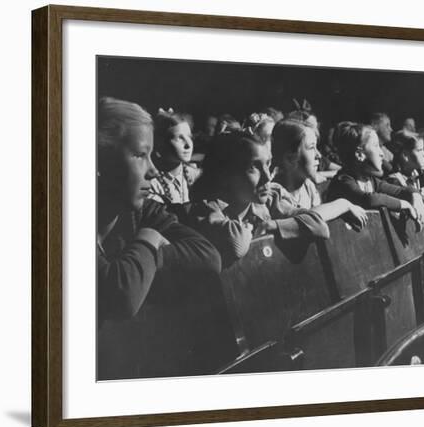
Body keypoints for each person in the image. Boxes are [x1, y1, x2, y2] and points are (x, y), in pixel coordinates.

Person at [97, 97, 222, 323]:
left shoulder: (142, 211)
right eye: (140, 155)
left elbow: (209, 256)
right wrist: (149, 238)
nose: (153, 171)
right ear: (99, 162)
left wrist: (147, 256)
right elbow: (122, 296)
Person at [190, 130, 330, 267]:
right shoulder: (207, 209)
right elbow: (237, 246)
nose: (267, 177)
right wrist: (251, 228)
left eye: (268, 164)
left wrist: (272, 225)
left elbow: (319, 226)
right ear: (228, 175)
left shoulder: (269, 199)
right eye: (253, 167)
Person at [326, 121, 424, 228]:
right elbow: (369, 200)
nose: (382, 153)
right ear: (360, 155)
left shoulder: (370, 180)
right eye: (376, 146)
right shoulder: (343, 180)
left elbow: (401, 190)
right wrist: (404, 205)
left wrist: (416, 197)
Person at [271, 118, 367, 227]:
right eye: (311, 147)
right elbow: (308, 219)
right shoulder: (275, 194)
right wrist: (344, 204)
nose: (319, 155)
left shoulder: (308, 186)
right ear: (289, 158)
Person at [148, 109, 201, 205]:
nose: (188, 145)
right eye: (179, 138)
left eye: (189, 137)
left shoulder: (196, 176)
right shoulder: (153, 185)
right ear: (161, 144)